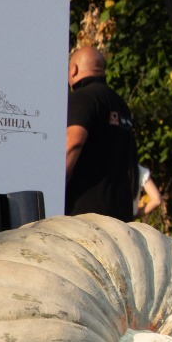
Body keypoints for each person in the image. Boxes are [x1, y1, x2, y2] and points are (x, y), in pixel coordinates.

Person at [65, 46, 138, 219]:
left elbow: (73, 143)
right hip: (120, 216)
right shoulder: (120, 104)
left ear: (73, 69)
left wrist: (53, 188)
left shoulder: (82, 98)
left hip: (86, 217)